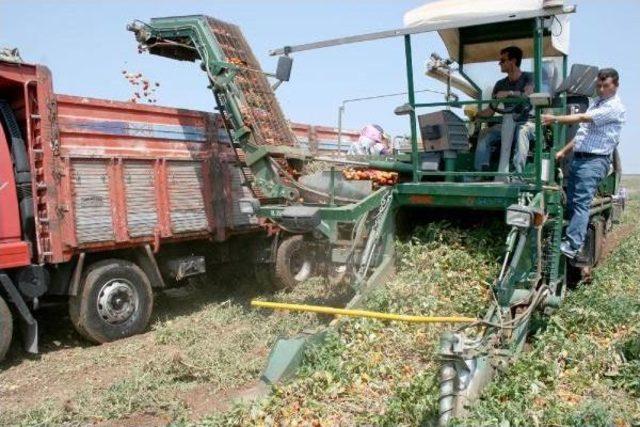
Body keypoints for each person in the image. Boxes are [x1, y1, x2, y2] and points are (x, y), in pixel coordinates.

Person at [542, 68, 626, 259]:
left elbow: (581, 118)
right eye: (599, 85)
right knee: (572, 202)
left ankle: (573, 246)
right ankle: (570, 237)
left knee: (581, 203)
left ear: (616, 86)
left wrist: (554, 118)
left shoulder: (614, 107)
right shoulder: (596, 103)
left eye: (606, 86)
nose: (601, 89)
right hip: (580, 159)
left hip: (595, 161)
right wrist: (563, 151)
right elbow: (582, 135)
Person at [472, 46, 534, 175]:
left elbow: (528, 94)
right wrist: (476, 115)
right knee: (485, 134)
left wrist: (509, 93)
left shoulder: (529, 77)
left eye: (503, 60)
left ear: (513, 61)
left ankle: (518, 175)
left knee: (522, 133)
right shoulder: (500, 84)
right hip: (507, 122)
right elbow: (490, 111)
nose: (499, 63)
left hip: (526, 121)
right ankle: (480, 174)